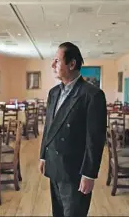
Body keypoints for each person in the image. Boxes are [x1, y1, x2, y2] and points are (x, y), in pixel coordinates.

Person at [39, 42, 107, 217]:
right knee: (58, 213)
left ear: (72, 64)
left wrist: (89, 175)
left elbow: (95, 139)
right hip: (54, 166)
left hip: (75, 172)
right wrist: (43, 155)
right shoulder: (53, 93)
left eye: (57, 60)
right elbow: (48, 127)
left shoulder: (92, 95)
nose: (52, 65)